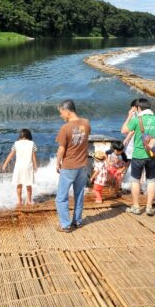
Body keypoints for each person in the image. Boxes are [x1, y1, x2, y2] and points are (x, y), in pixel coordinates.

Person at [123, 98, 155, 216]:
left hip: (138, 155)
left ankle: (136, 207)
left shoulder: (137, 120)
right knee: (151, 180)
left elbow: (124, 130)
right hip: (152, 155)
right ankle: (149, 207)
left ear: (139, 108)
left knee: (135, 180)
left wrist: (129, 116)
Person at [55, 99, 91, 232]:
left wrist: (58, 162)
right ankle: (78, 221)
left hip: (69, 165)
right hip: (82, 165)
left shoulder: (65, 128)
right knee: (79, 193)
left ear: (68, 111)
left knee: (61, 197)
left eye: (61, 113)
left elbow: (61, 149)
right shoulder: (86, 123)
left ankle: (65, 225)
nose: (61, 115)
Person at [2, 129, 38, 206]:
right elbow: (34, 157)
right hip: (28, 167)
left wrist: (5, 164)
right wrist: (35, 166)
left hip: (19, 167)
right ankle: (29, 200)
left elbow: (11, 155)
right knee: (29, 184)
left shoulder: (16, 143)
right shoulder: (32, 144)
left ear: (20, 136)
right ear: (28, 136)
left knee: (19, 184)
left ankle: (19, 200)